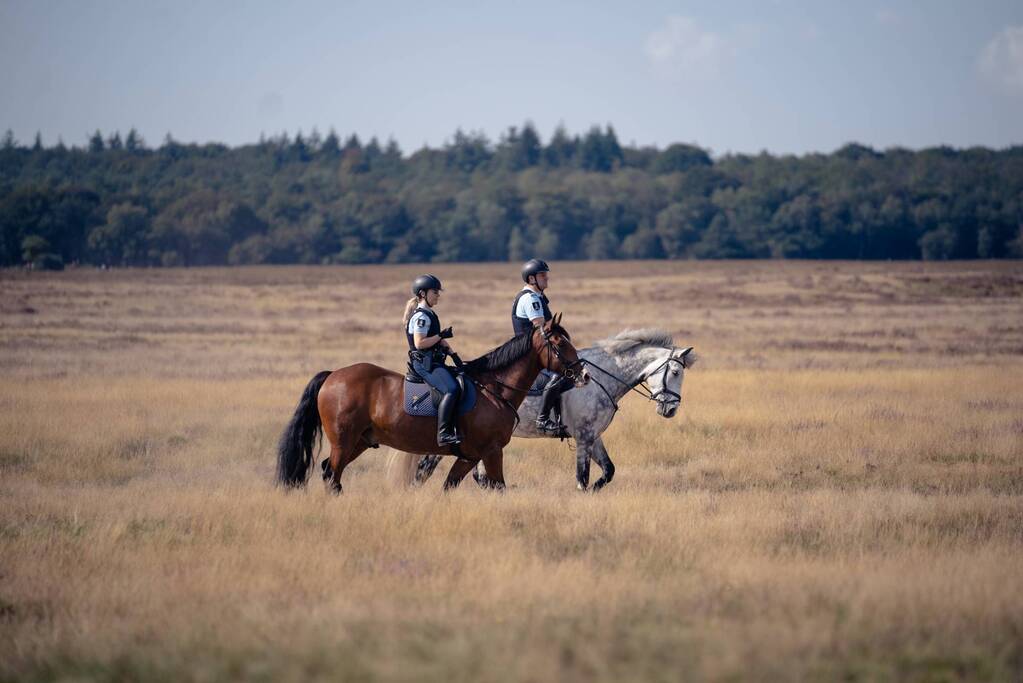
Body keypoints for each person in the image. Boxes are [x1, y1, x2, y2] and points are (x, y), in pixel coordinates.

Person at [512, 258, 572, 434]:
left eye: (546, 275)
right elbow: (542, 330)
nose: (547, 278)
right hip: (530, 353)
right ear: (532, 279)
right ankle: (543, 419)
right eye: (543, 275)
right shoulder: (531, 300)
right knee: (560, 375)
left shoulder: (537, 297)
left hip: (536, 350)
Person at [403, 274, 461, 446]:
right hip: (424, 364)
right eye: (434, 292)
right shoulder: (421, 317)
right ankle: (443, 434)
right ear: (423, 294)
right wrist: (440, 335)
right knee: (451, 389)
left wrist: (454, 355)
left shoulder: (430, 313)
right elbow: (420, 343)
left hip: (433, 362)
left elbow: (437, 340)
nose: (438, 295)